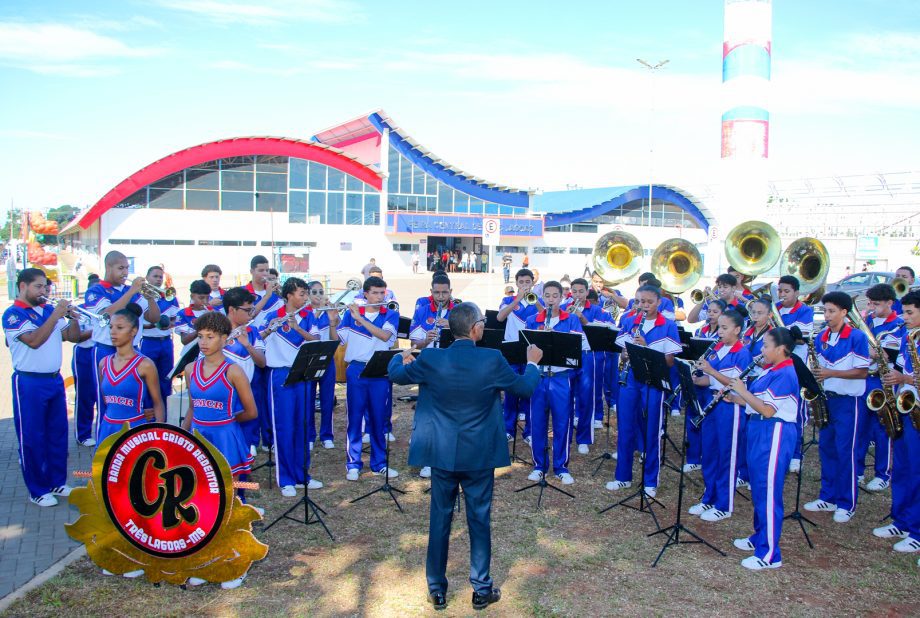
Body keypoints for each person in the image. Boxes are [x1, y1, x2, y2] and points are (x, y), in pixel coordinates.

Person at [388, 302, 541, 611]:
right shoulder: (492, 359)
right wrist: (533, 362)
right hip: (478, 454)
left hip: (441, 453)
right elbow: (524, 388)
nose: (483, 326)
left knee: (439, 519)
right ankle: (481, 588)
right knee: (479, 519)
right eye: (482, 322)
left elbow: (396, 375)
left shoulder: (431, 357)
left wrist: (398, 356)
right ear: (474, 329)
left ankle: (437, 589)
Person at [181, 311, 261, 589]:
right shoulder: (191, 369)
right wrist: (184, 433)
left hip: (226, 439)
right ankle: (207, 560)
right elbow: (192, 407)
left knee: (232, 501)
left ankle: (237, 562)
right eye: (200, 336)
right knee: (201, 501)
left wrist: (225, 422)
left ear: (225, 339)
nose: (203, 342)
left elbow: (251, 412)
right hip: (199, 440)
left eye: (210, 336)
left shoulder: (233, 370)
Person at [3, 268, 80, 507]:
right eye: (38, 287)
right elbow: (34, 341)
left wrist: (74, 317)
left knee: (58, 433)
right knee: (32, 436)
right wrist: (56, 315)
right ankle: (36, 489)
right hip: (28, 381)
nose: (44, 291)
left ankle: (56, 481)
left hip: (54, 379)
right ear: (23, 287)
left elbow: (73, 337)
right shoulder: (13, 314)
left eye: (46, 287)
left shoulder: (48, 311)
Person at [727, 328, 801, 570]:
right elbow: (757, 403)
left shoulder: (786, 372)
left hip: (775, 432)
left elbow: (768, 410)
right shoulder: (771, 369)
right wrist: (734, 397)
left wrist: (742, 391)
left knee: (768, 491)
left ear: (780, 349)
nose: (761, 350)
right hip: (759, 430)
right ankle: (760, 537)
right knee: (759, 487)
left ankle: (769, 554)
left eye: (766, 346)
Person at [607, 285, 681, 498]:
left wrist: (646, 347)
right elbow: (621, 354)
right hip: (630, 379)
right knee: (626, 428)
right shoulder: (630, 322)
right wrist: (626, 354)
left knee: (651, 431)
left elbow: (669, 361)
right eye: (639, 301)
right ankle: (622, 477)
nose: (643, 306)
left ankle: (650, 480)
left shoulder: (667, 325)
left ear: (659, 302)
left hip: (653, 382)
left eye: (648, 302)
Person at [805, 291, 870, 523]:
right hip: (826, 399)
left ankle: (846, 502)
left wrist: (831, 373)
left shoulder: (857, 337)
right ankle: (828, 495)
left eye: (832, 311)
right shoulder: (821, 336)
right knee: (827, 448)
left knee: (846, 451)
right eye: (825, 311)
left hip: (847, 401)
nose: (827, 315)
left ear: (844, 312)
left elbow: (863, 371)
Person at [84, 251, 160, 436]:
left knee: (136, 400)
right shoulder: (96, 291)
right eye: (120, 268)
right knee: (107, 402)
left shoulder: (130, 290)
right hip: (106, 350)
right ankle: (104, 444)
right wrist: (133, 291)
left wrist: (150, 298)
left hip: (133, 351)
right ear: (108, 267)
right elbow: (106, 314)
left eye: (127, 268)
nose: (125, 272)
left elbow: (154, 317)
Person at [260, 277, 322, 497]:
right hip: (280, 375)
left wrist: (297, 328)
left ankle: (301, 475)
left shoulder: (307, 315)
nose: (305, 297)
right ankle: (285, 478)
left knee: (303, 425)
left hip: (303, 373)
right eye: (301, 294)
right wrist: (270, 330)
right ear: (289, 295)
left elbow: (315, 340)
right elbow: (257, 339)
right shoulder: (271, 316)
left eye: (306, 293)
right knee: (285, 426)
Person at [690, 309, 753, 522]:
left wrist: (710, 371)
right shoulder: (717, 348)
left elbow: (735, 383)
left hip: (730, 405)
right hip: (712, 402)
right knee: (709, 452)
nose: (720, 332)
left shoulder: (742, 353)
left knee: (727, 455)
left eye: (725, 328)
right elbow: (713, 380)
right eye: (719, 327)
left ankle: (724, 504)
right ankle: (709, 496)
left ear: (737, 329)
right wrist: (698, 379)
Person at [524, 281, 588, 483]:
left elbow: (578, 349)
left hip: (561, 378)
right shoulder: (533, 319)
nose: (551, 299)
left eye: (555, 296)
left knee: (562, 422)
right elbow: (525, 348)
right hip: (539, 377)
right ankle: (539, 465)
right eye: (547, 296)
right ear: (542, 296)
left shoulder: (571, 320)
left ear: (561, 297)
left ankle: (561, 466)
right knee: (537, 422)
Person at [338, 275, 400, 481]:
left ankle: (379, 463)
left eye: (382, 292)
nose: (380, 296)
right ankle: (353, 463)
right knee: (355, 418)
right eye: (375, 292)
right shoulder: (350, 315)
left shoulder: (390, 314)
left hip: (379, 370)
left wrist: (361, 319)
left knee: (378, 418)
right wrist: (331, 319)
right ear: (365, 294)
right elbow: (337, 338)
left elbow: (385, 337)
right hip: (356, 369)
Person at [876, 291, 920, 552]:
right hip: (906, 406)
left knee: (916, 471)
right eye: (903, 312)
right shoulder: (908, 337)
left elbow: (909, 375)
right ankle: (902, 520)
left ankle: (916, 530)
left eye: (910, 313)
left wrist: (902, 379)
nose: (904, 318)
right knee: (902, 469)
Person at [96, 303, 165, 447]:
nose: (113, 332)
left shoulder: (145, 364)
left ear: (134, 331)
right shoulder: (104, 363)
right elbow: (106, 400)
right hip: (107, 430)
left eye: (120, 328)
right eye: (111, 327)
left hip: (135, 433)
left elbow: (158, 403)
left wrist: (158, 438)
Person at [859, 283, 904, 492]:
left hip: (883, 379)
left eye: (877, 304)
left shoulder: (898, 324)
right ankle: (857, 470)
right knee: (860, 426)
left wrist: (871, 351)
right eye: (871, 303)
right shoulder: (866, 320)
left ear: (890, 303)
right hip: (863, 378)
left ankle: (882, 473)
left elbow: (889, 356)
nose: (872, 307)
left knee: (882, 427)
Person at [565, 278, 611, 451]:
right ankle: (566, 435)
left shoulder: (598, 311)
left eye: (581, 291)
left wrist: (581, 317)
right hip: (568, 354)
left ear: (587, 292)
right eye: (574, 291)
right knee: (566, 397)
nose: (577, 295)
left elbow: (601, 333)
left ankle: (583, 438)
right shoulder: (563, 308)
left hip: (587, 356)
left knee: (587, 397)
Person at [775, 274, 814, 473]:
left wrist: (782, 331)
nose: (782, 294)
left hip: (795, 365)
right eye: (780, 290)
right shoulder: (776, 308)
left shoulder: (805, 311)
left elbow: (801, 338)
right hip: (776, 365)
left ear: (797, 293)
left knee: (796, 412)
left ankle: (796, 454)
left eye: (786, 291)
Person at [246, 255, 284, 451]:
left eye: (267, 271)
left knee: (268, 399)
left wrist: (280, 296)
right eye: (260, 270)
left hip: (270, 351)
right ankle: (252, 439)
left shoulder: (276, 297)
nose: (264, 274)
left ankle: (269, 439)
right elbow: (249, 314)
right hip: (250, 349)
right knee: (251, 396)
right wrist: (267, 296)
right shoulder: (245, 293)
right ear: (252, 271)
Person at [497, 269, 540, 444]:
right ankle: (509, 428)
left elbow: (545, 314)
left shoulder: (538, 300)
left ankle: (529, 431)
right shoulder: (508, 300)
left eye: (527, 282)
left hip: (531, 350)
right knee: (510, 392)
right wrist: (517, 299)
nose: (524, 285)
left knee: (531, 391)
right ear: (516, 284)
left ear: (532, 283)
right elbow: (500, 317)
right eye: (521, 282)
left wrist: (535, 300)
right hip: (512, 350)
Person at [221, 286, 266, 454]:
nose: (251, 314)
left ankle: (243, 478)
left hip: (247, 393)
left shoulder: (252, 331)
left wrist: (247, 344)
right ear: (232, 310)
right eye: (247, 310)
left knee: (246, 448)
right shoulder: (215, 332)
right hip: (224, 395)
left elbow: (262, 362)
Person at [306, 281, 340, 451]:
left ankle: (327, 434)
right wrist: (319, 311)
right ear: (307, 294)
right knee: (309, 399)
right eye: (314, 292)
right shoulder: (305, 313)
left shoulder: (328, 312)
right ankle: (309, 435)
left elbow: (336, 337)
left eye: (321, 291)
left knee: (327, 399)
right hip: (309, 361)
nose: (319, 295)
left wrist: (333, 317)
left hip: (327, 358)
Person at [140, 265, 180, 407]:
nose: (158, 279)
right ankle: (149, 413)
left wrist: (169, 324)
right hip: (149, 342)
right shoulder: (140, 298)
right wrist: (151, 325)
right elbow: (139, 322)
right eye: (155, 276)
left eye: (160, 277)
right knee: (147, 378)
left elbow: (176, 319)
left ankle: (165, 414)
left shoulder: (170, 297)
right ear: (147, 278)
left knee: (165, 379)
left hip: (166, 342)